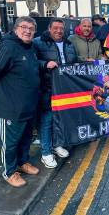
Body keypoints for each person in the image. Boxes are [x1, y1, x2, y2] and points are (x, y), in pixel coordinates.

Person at [0, 16, 42, 187]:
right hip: (10, 106)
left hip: (28, 105)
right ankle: (9, 172)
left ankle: (22, 163)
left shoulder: (29, 47)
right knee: (11, 142)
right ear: (15, 29)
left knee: (25, 138)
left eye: (31, 28)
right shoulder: (8, 46)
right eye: (24, 27)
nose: (27, 31)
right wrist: (5, 89)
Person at [33, 18, 77, 168]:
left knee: (60, 119)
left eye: (61, 28)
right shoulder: (38, 42)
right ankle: (46, 153)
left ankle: (57, 145)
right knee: (47, 121)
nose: (59, 31)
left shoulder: (69, 43)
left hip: (64, 88)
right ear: (49, 28)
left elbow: (75, 62)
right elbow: (32, 62)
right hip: (47, 88)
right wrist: (45, 64)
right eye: (55, 28)